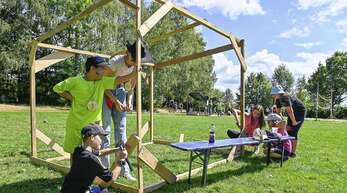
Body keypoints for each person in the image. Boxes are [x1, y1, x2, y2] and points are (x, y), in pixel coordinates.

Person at [53, 56, 136, 156]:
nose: (105, 71)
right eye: (102, 68)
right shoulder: (75, 81)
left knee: (94, 154)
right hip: (76, 126)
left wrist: (133, 74)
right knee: (75, 155)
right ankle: (75, 172)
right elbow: (57, 88)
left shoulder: (102, 82)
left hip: (94, 128)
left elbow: (117, 80)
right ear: (92, 68)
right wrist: (72, 98)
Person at [101, 41, 147, 181]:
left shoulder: (136, 67)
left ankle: (123, 170)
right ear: (127, 53)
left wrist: (128, 101)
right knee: (105, 131)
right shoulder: (114, 62)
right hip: (106, 93)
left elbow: (130, 89)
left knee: (121, 131)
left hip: (120, 92)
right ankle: (104, 171)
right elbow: (103, 84)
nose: (134, 64)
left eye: (137, 62)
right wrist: (115, 102)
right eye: (133, 60)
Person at [60, 123, 128, 193]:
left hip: (66, 190)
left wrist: (117, 149)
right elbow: (110, 178)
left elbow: (100, 153)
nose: (102, 141)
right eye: (100, 137)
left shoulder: (79, 150)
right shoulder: (91, 159)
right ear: (92, 137)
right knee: (104, 191)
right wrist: (121, 160)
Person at [271, 85, 306, 157]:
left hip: (300, 112)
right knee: (288, 130)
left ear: (278, 93)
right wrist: (279, 121)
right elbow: (278, 112)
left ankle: (293, 153)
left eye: (274, 94)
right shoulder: (278, 99)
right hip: (293, 113)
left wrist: (294, 122)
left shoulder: (284, 97)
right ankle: (288, 150)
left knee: (293, 132)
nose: (273, 96)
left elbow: (290, 111)